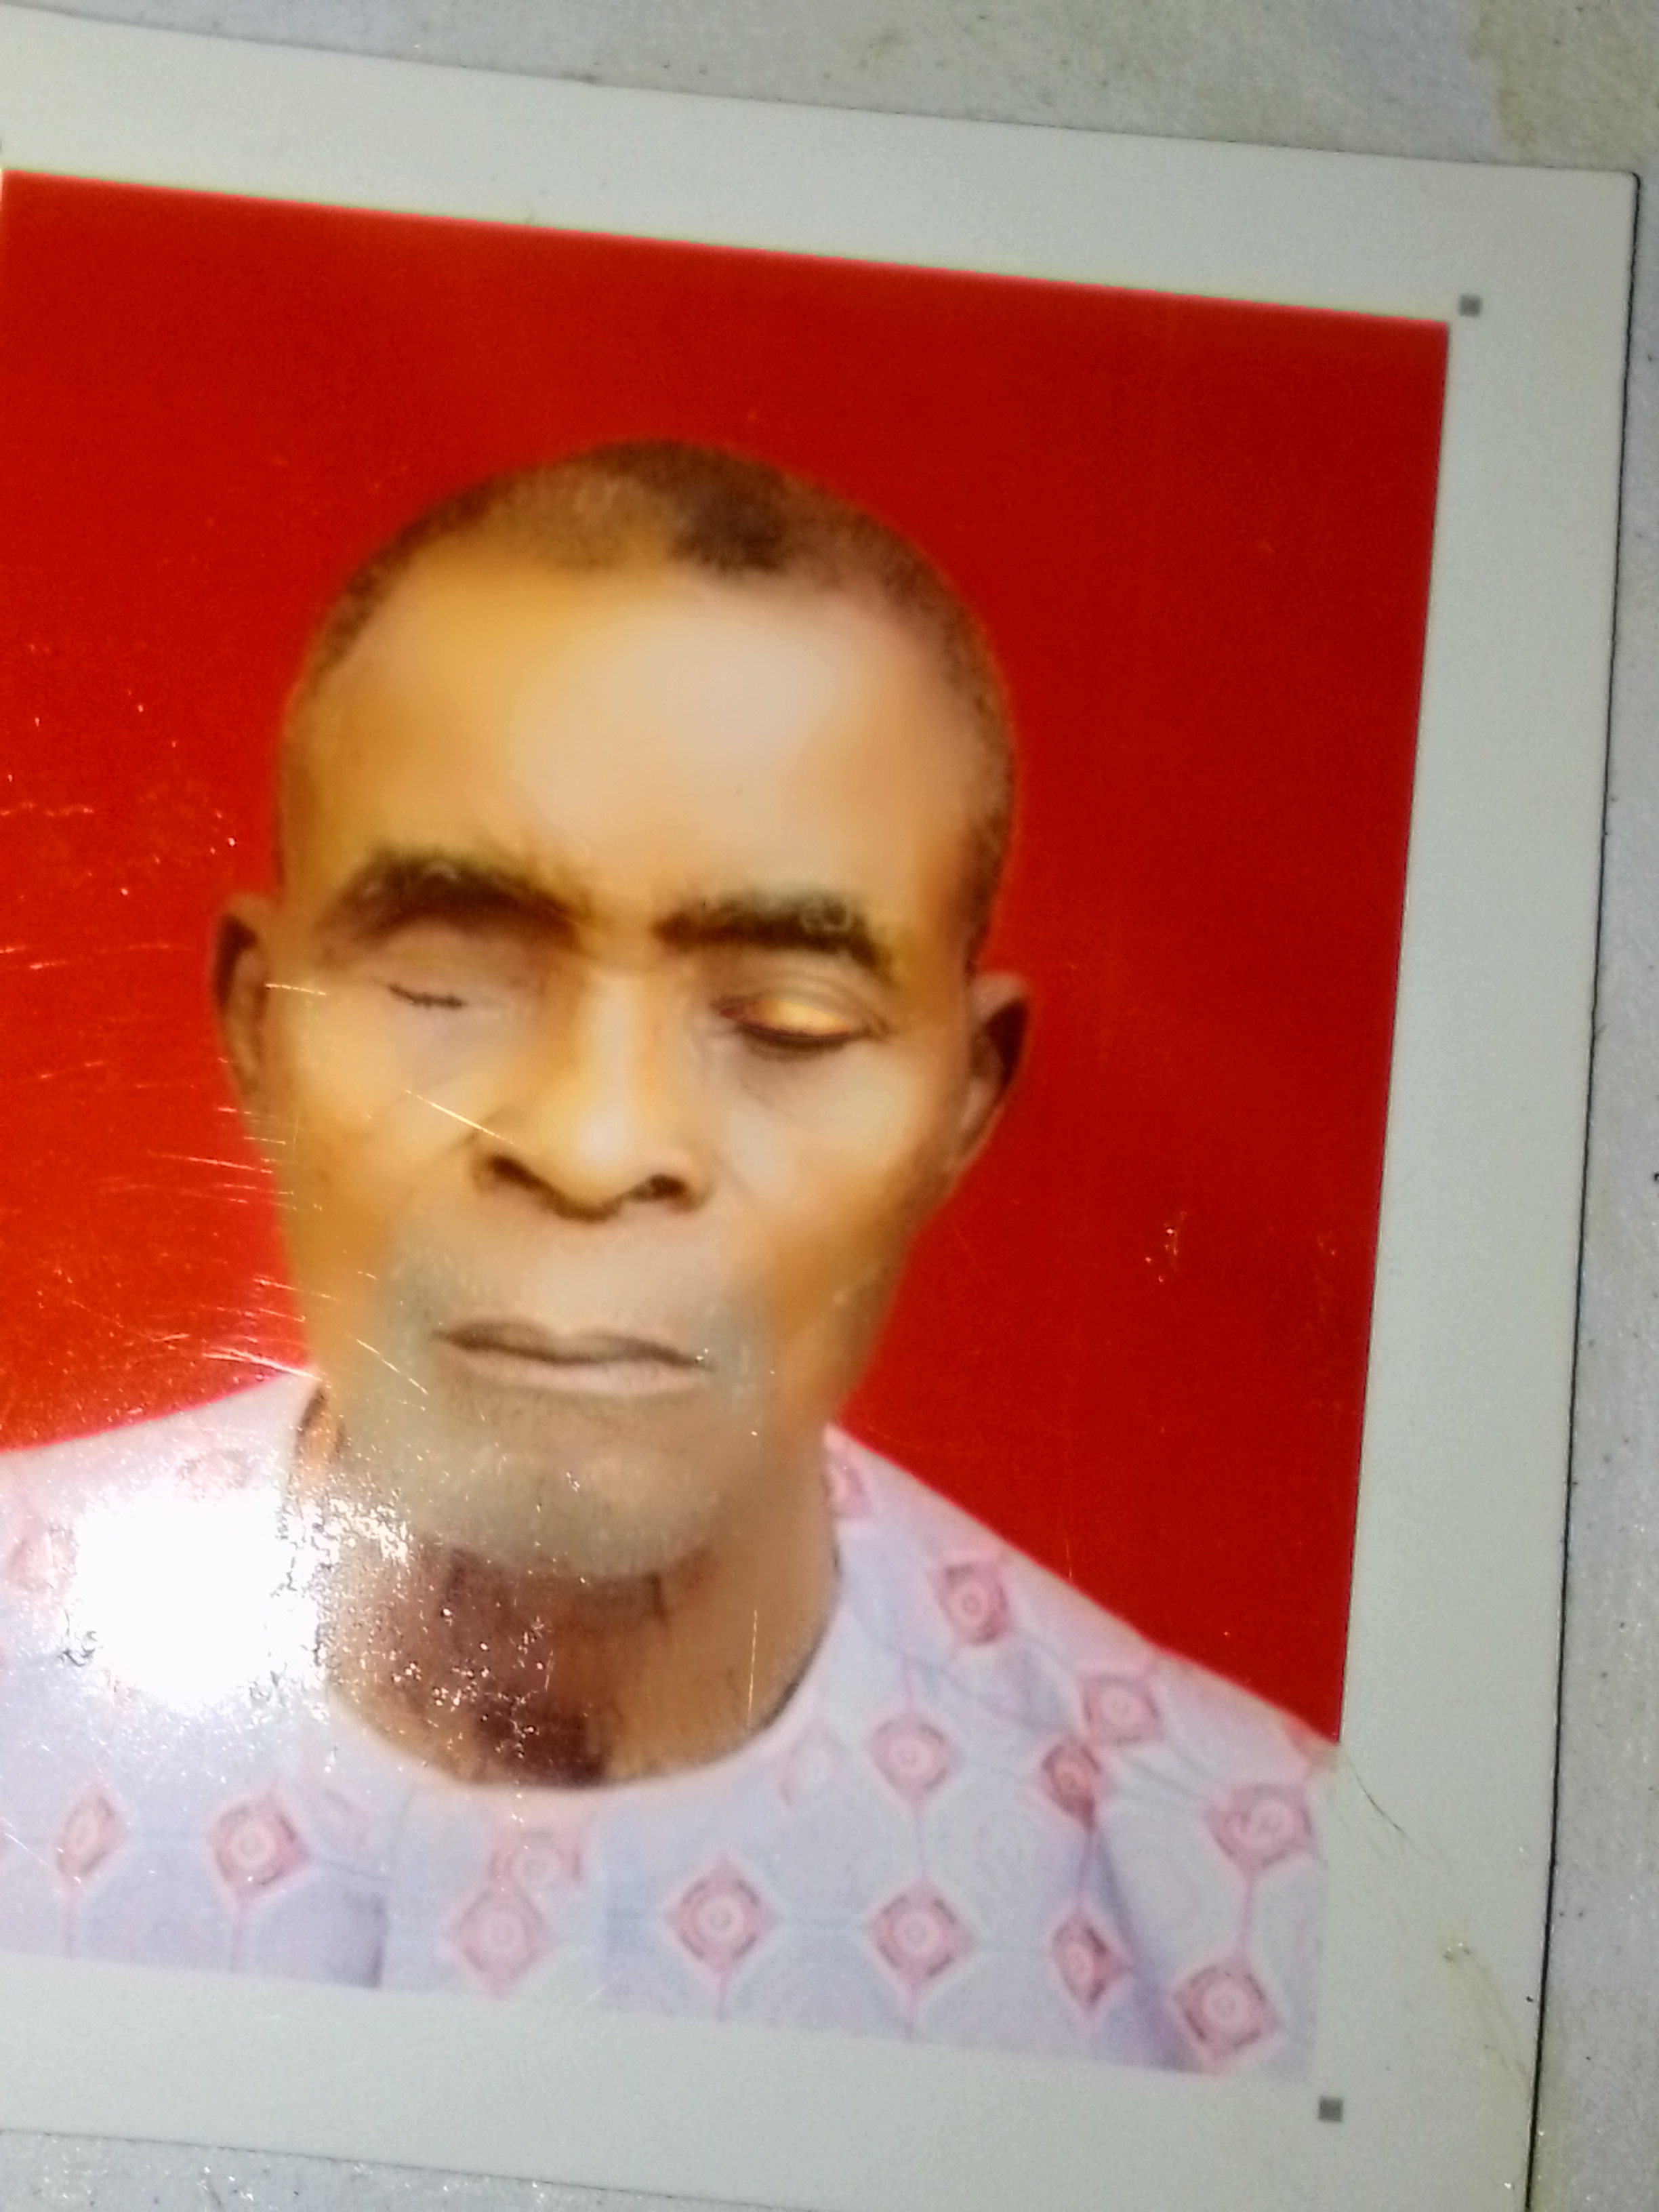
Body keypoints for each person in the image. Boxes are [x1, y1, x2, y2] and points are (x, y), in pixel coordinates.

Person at [0, 442, 1323, 2068]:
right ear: (259, 1028)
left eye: (789, 1020)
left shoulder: (1269, 1932)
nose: (595, 1140)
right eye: (445, 980)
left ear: (964, 1104)